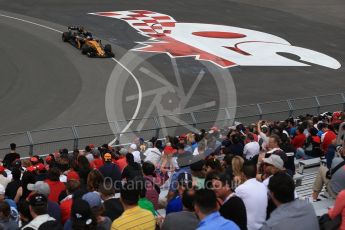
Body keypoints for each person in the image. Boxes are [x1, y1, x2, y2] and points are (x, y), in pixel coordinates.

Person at [235, 161, 267, 230]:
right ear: (256, 173)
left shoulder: (241, 189)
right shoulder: (263, 185)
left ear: (242, 174)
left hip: (249, 227)